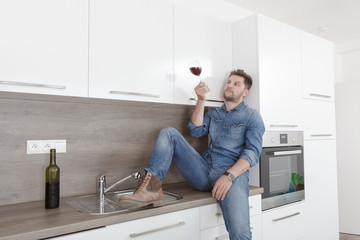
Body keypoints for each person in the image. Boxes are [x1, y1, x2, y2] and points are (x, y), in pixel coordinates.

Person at [119, 69, 265, 240]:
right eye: (229, 82)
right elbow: (195, 131)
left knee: (241, 234)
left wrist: (229, 176)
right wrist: (201, 100)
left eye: (236, 84)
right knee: (169, 133)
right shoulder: (215, 113)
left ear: (245, 92)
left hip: (233, 176)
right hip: (204, 171)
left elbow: (252, 154)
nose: (230, 86)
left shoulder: (253, 116)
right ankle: (151, 188)